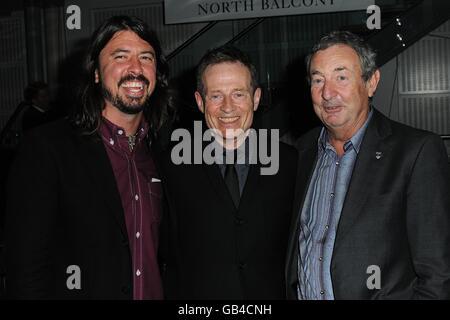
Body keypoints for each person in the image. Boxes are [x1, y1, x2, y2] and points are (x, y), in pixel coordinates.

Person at [5, 15, 172, 299]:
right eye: (121, 57)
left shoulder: (164, 151)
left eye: (147, 57)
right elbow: (26, 269)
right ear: (96, 72)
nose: (136, 68)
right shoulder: (47, 148)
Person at [285, 31, 450, 300]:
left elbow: (438, 273)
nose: (328, 93)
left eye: (341, 77)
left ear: (371, 82)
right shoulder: (300, 152)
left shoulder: (416, 151)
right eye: (318, 80)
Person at [159, 46, 297, 299]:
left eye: (238, 94)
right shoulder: (170, 167)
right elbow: (163, 253)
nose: (227, 108)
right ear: (200, 102)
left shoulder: (290, 164)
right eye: (216, 96)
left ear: (256, 98)